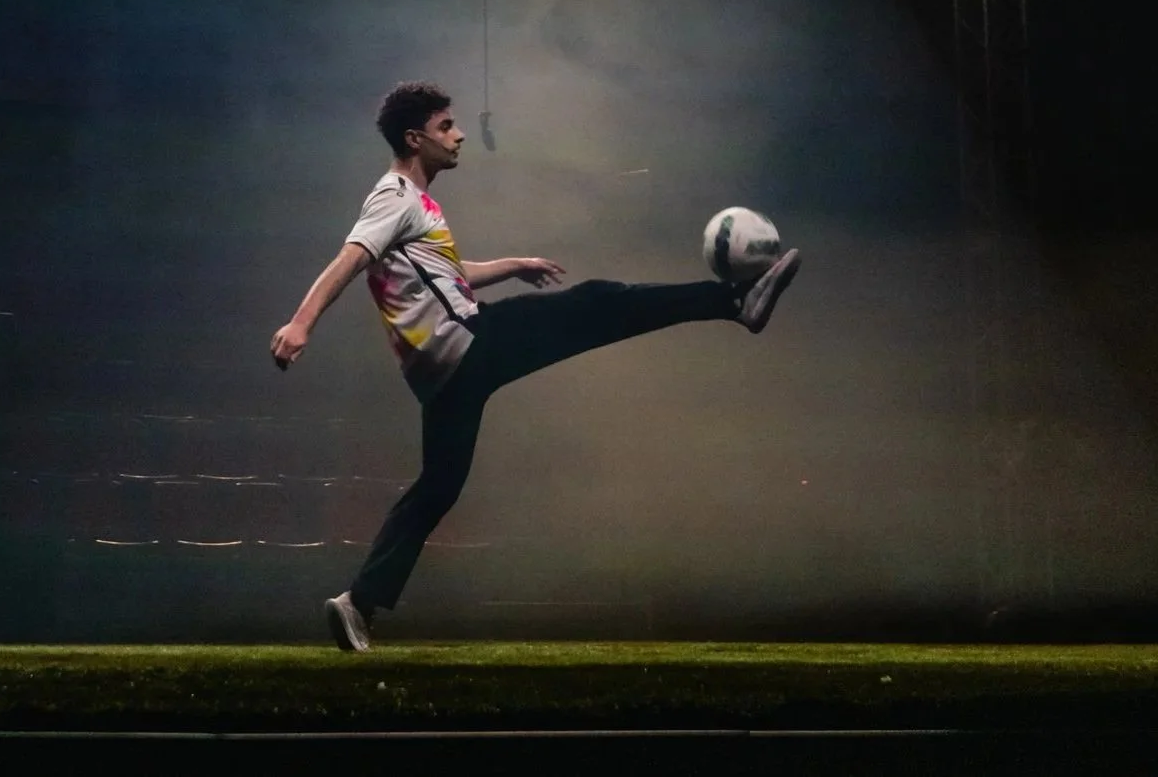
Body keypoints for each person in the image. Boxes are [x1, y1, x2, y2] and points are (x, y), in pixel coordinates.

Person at [269, 80, 802, 652]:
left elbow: (447, 274)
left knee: (437, 489)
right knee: (598, 302)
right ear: (414, 137)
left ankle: (358, 603)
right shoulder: (394, 196)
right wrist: (302, 323)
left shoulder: (415, 205)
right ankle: (732, 301)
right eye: (447, 125)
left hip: (442, 378)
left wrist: (512, 265)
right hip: (469, 343)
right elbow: (350, 259)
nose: (460, 134)